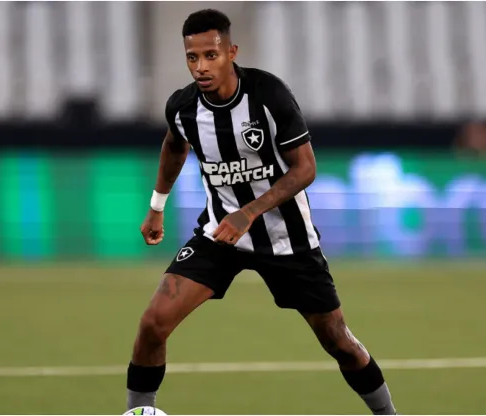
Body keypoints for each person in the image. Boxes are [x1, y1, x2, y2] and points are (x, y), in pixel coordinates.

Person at [128, 9, 397, 415]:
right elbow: (173, 146)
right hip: (220, 234)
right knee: (153, 323)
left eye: (211, 55)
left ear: (231, 52)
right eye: (192, 57)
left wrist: (248, 213)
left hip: (287, 239)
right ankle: (137, 412)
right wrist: (157, 206)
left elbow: (305, 168)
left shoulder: (268, 96)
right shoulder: (183, 108)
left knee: (337, 338)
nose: (201, 66)